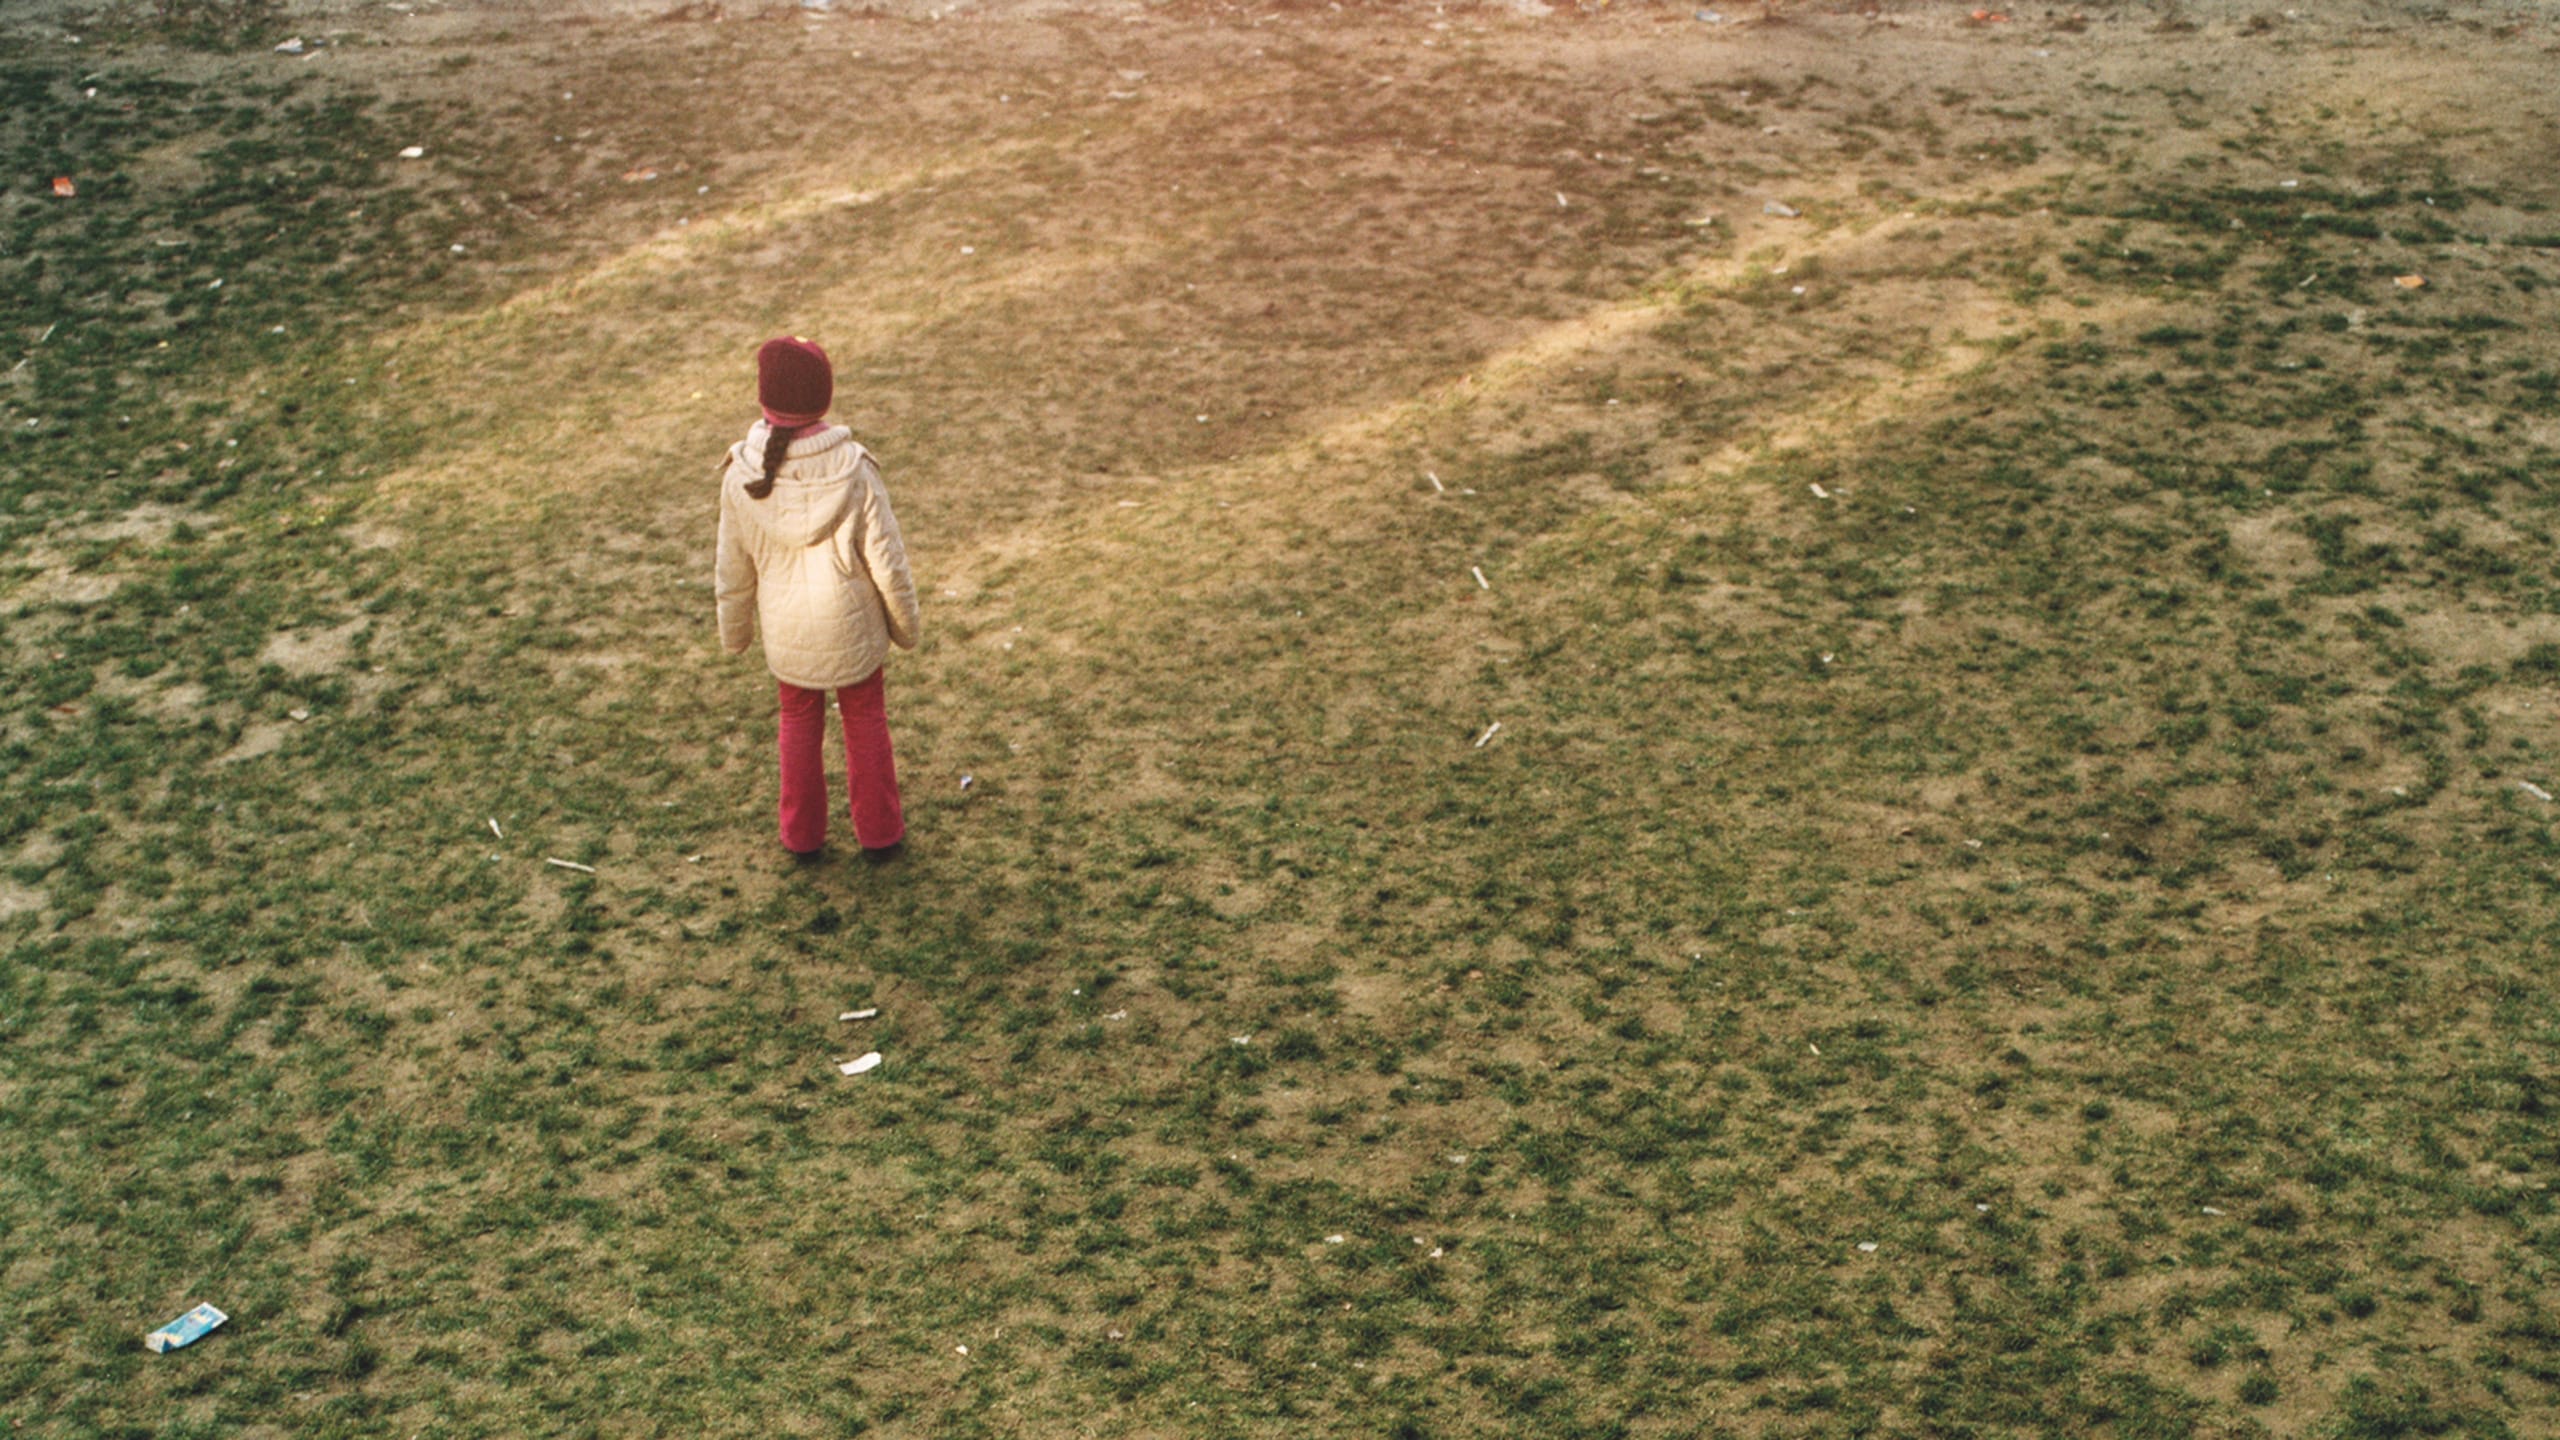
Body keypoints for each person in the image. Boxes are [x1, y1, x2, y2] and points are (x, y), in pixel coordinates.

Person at [715, 336, 921, 858]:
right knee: (865, 716)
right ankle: (880, 831)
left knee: (798, 719)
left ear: (765, 398)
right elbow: (888, 562)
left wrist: (735, 633)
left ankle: (800, 835)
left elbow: (731, 567)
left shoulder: (742, 476)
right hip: (854, 630)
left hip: (788, 635)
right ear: (823, 398)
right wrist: (905, 627)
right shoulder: (856, 470)